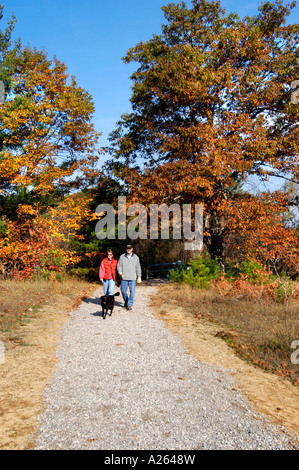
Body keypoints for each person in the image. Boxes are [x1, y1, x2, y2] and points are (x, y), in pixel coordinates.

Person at [117, 244, 141, 310]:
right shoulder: (122, 257)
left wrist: (139, 276)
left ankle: (130, 304)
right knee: (123, 291)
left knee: (132, 292)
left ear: (132, 249)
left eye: (130, 248)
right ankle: (126, 301)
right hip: (124, 277)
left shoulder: (136, 257)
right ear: (126, 249)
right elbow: (119, 265)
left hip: (133, 277)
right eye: (127, 248)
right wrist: (120, 272)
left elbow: (138, 267)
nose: (128, 250)